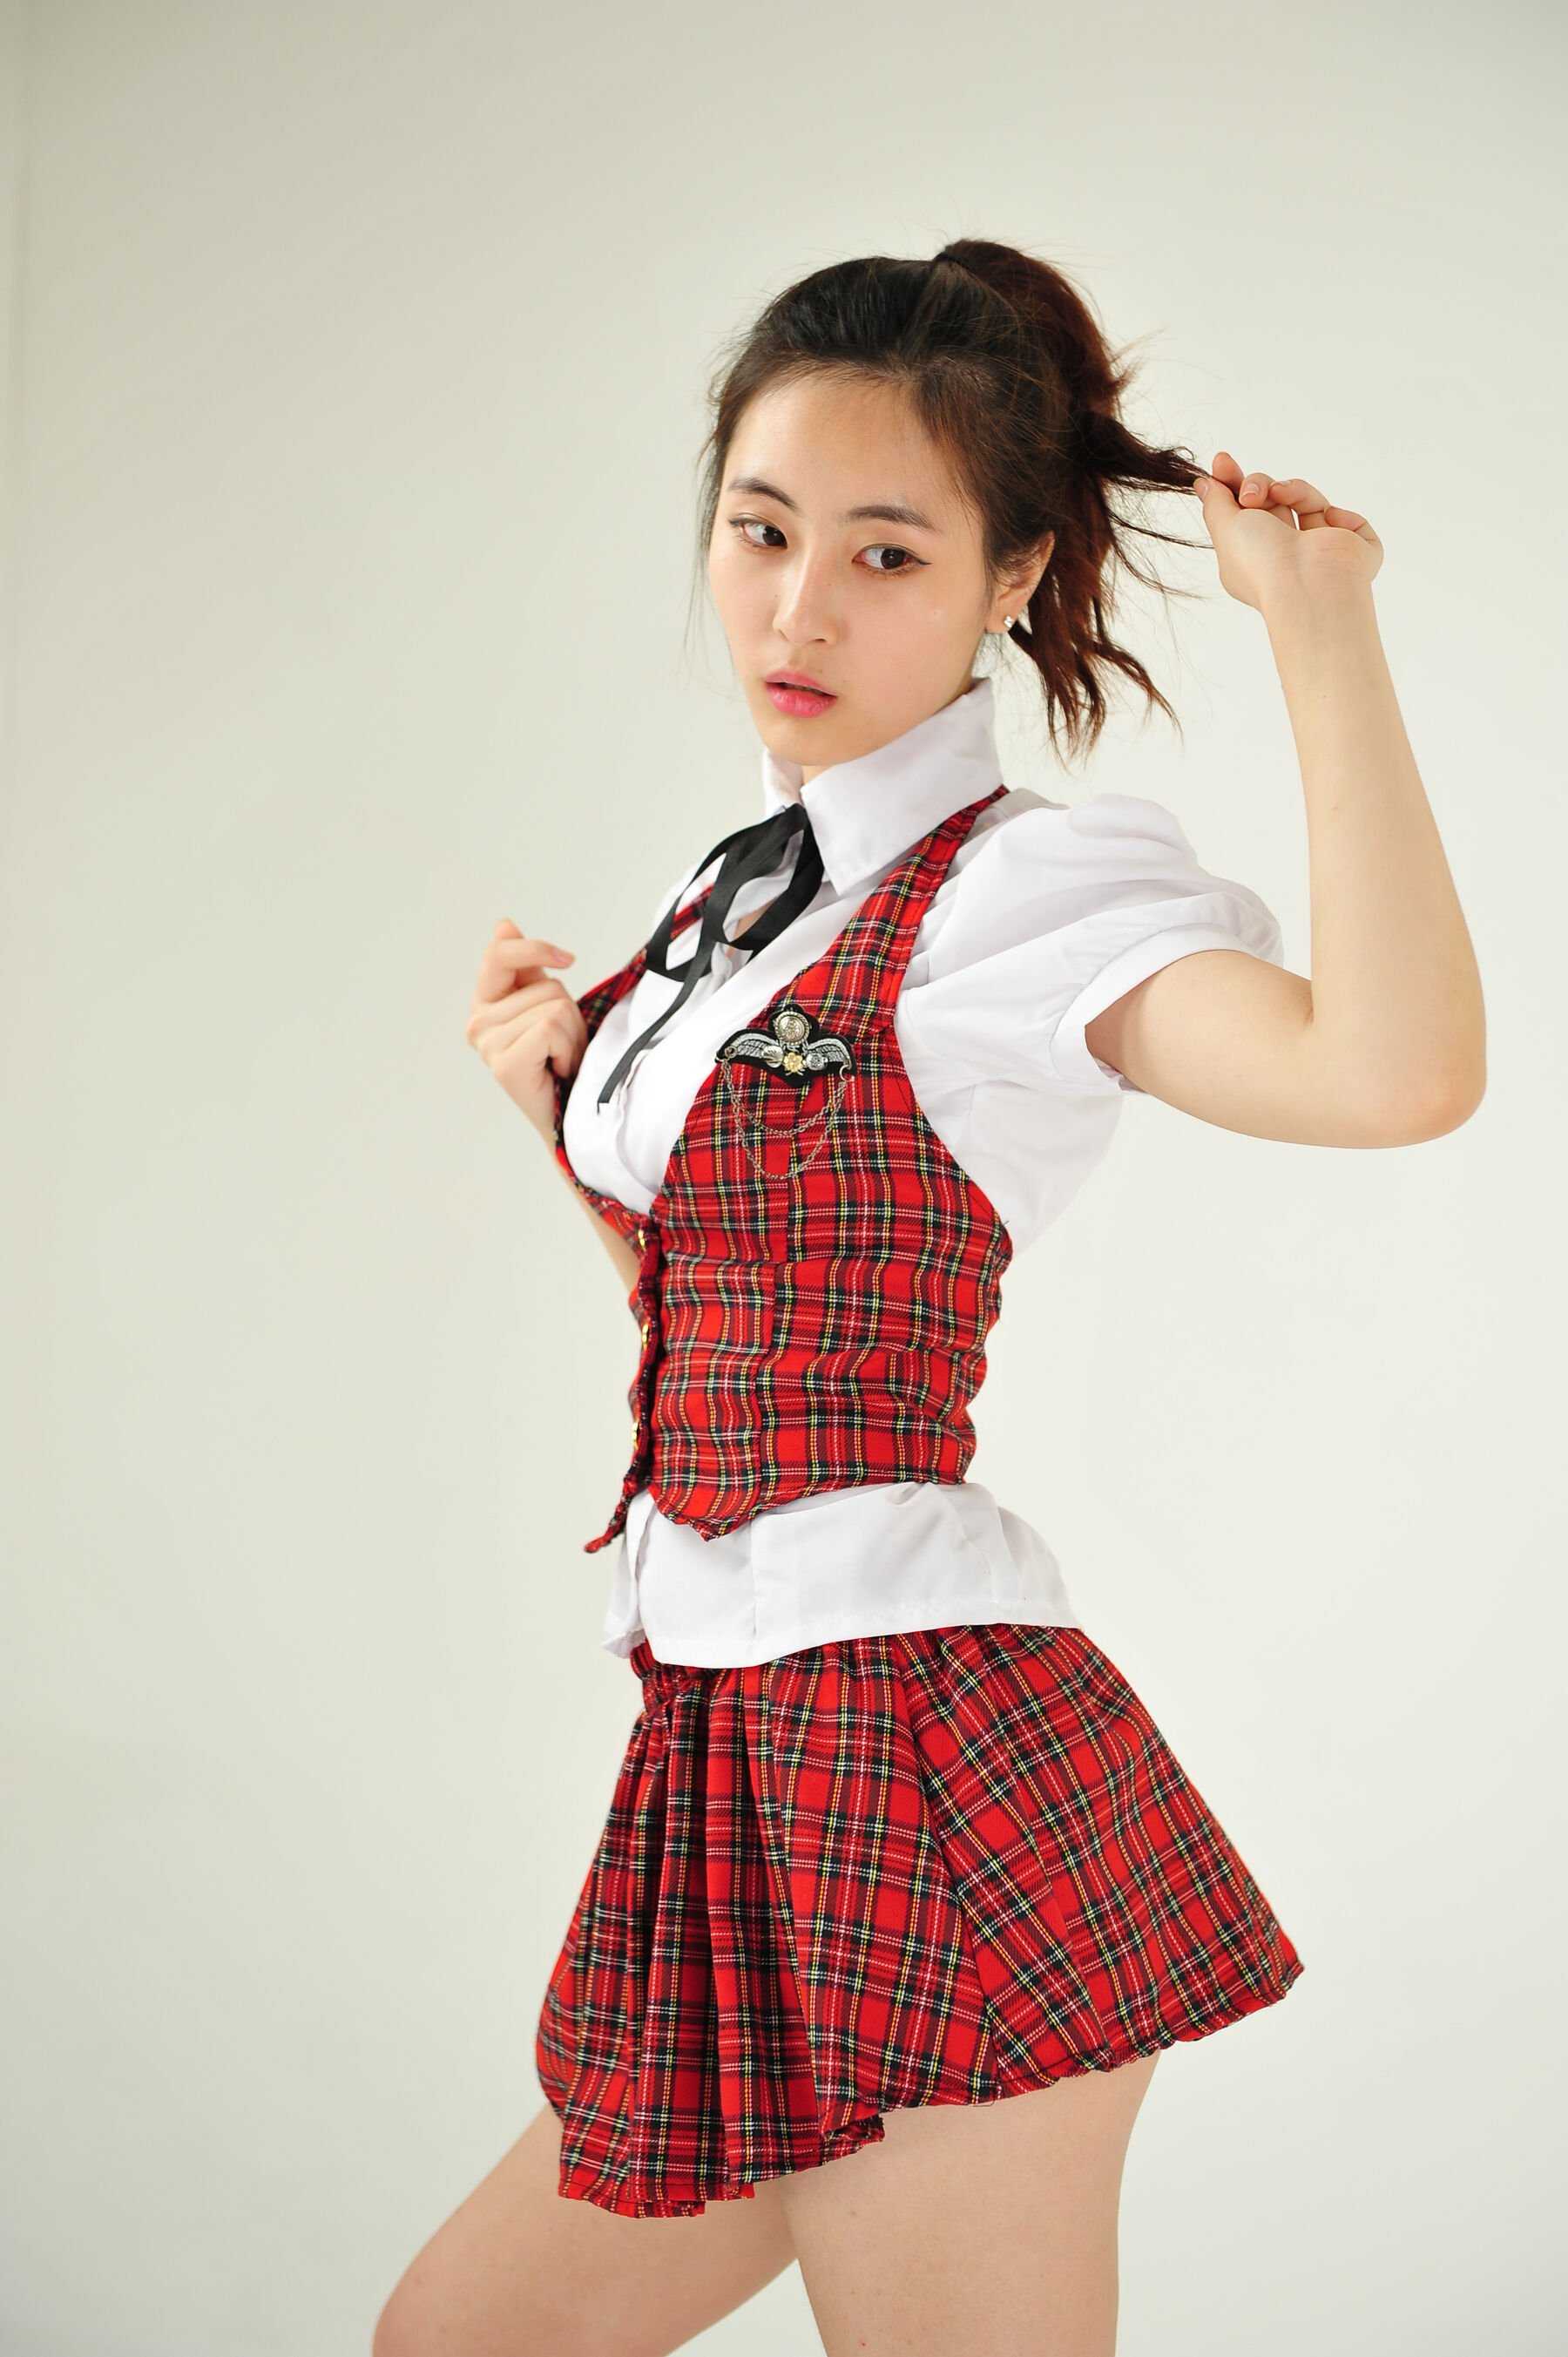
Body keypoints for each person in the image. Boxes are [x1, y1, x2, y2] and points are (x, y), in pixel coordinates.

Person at [375, 241, 1485, 2357]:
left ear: (1010, 578)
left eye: (885, 555)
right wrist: (566, 1114)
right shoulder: (743, 900)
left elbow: (1390, 1073)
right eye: (761, 530)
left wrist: (1324, 633)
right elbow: (758, 1316)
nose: (800, 608)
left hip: (918, 1758)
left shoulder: (1012, 902)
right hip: (734, 1745)